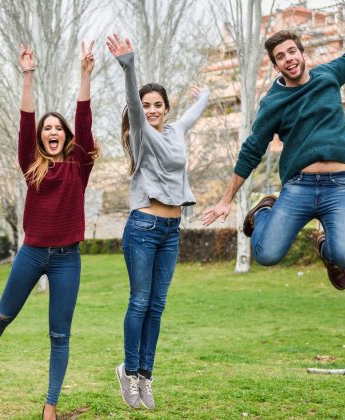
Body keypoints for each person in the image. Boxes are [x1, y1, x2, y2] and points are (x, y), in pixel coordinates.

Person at [201, 0, 345, 291]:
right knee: (266, 254)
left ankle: (325, 250)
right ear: (276, 64)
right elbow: (251, 151)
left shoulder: (328, 76)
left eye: (292, 51)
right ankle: (264, 210)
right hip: (298, 187)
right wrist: (226, 198)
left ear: (302, 53)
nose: (288, 58)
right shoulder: (273, 103)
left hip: (338, 186)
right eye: (281, 56)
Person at [0, 43, 98, 420]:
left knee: (60, 335)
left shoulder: (78, 165)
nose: (52, 131)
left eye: (58, 128)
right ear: (40, 138)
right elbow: (26, 118)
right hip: (32, 253)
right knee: (3, 315)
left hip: (67, 259)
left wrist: (85, 75)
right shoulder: (31, 165)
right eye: (47, 129)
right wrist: (27, 75)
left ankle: (50, 404)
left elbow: (84, 118)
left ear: (66, 136)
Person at [106, 34, 210, 410]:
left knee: (158, 305)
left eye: (157, 105)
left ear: (166, 108)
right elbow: (132, 102)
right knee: (140, 302)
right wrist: (129, 65)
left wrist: (206, 95)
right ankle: (129, 373)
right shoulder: (140, 131)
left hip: (171, 231)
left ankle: (146, 378)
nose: (150, 109)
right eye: (147, 105)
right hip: (144, 229)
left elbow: (192, 115)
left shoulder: (175, 132)